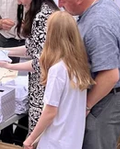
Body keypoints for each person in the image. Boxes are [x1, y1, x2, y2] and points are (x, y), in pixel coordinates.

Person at [54, 0, 120, 149]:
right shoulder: (98, 0)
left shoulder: (98, 25)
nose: (60, 5)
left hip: (109, 97)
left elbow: (110, 75)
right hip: (108, 94)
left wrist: (86, 105)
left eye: (63, 1)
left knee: (95, 143)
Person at [0, 0, 59, 134]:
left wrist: (9, 66)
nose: (19, 2)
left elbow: (39, 62)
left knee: (40, 134)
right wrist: (4, 51)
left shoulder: (41, 17)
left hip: (44, 84)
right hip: (43, 82)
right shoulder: (46, 10)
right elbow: (32, 48)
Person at [22, 12, 94, 149]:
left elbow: (50, 111)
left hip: (56, 139)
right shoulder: (78, 65)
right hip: (73, 138)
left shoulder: (57, 70)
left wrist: (31, 138)